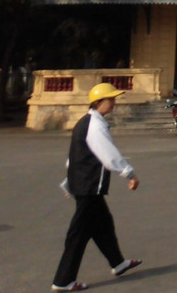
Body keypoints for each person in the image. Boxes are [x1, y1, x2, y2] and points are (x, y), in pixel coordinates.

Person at [51, 83, 142, 291]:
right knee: (79, 234)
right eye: (111, 100)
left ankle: (117, 263)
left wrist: (69, 183)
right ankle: (63, 281)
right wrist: (129, 173)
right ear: (99, 102)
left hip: (85, 185)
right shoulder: (95, 125)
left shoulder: (86, 122)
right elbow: (108, 154)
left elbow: (74, 157)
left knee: (103, 225)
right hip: (89, 187)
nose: (114, 103)